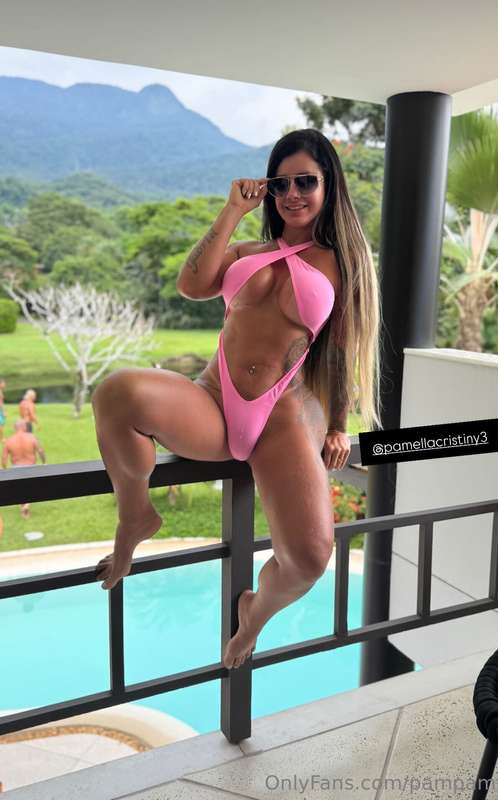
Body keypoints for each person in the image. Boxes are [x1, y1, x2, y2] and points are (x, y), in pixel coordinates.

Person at [92, 129, 382, 670]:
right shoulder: (248, 252)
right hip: (213, 399)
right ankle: (135, 516)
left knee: (310, 559)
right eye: (281, 183)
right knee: (116, 392)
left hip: (281, 418)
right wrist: (232, 211)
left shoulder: (343, 264)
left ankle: (254, 614)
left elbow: (341, 353)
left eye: (306, 182)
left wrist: (338, 425)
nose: (292, 194)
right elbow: (191, 284)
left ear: (329, 186)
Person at [2, 419, 46, 517]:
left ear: (14, 428)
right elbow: (40, 451)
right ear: (25, 427)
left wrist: (5, 469)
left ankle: (24, 507)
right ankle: (26, 505)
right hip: (31, 467)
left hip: (16, 468)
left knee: (21, 489)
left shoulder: (9, 440)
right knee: (31, 487)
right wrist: (44, 462)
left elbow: (4, 458)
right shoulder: (32, 437)